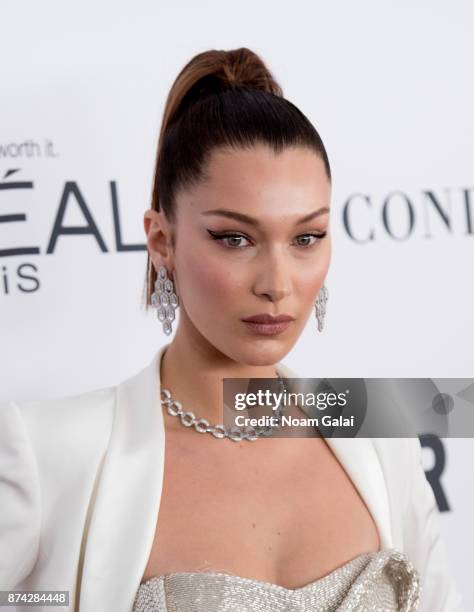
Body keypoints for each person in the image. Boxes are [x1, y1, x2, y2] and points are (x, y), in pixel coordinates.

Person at [0, 48, 464, 612]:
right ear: (161, 242)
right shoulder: (48, 451)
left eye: (306, 238)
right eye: (235, 238)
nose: (277, 282)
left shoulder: (377, 431)